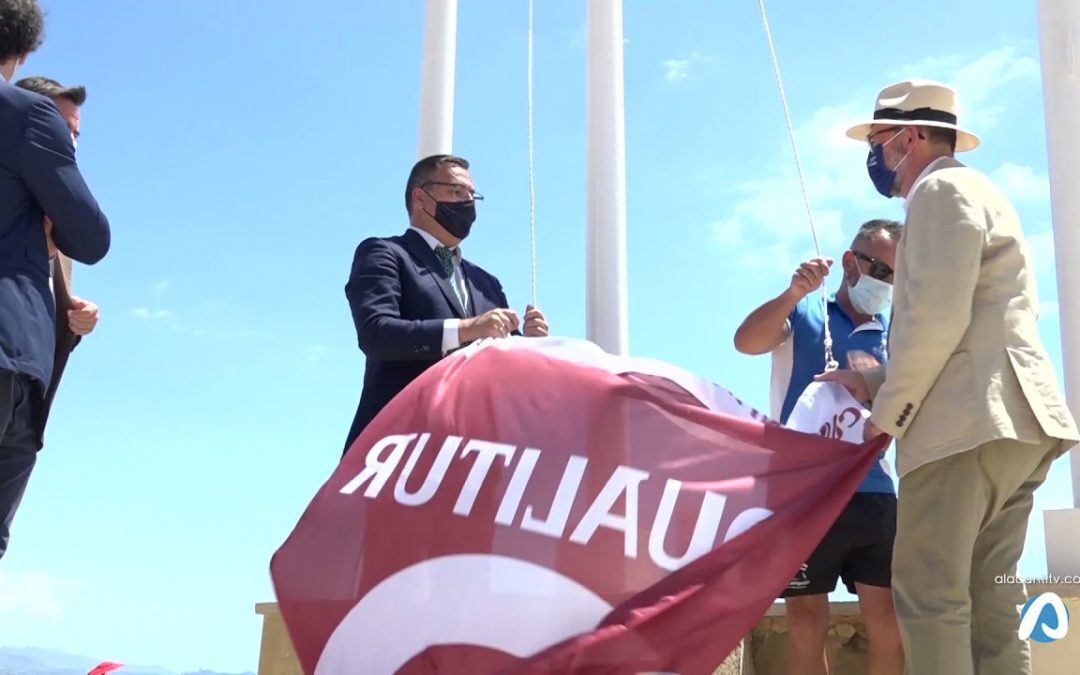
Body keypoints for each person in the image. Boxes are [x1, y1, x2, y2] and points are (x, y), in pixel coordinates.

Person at [820, 79, 1079, 675]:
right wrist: (878, 381)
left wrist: (886, 416)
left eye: (880, 140)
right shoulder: (980, 192)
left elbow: (936, 318)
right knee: (992, 598)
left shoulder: (938, 192)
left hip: (961, 429)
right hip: (1015, 422)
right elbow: (974, 322)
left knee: (929, 594)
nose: (876, 154)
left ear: (910, 137)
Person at [734, 219, 904, 675]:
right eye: (881, 272)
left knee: (888, 620)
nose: (888, 285)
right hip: (802, 495)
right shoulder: (807, 312)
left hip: (874, 493)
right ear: (850, 262)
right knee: (806, 622)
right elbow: (745, 342)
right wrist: (791, 293)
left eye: (899, 275)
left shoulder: (898, 333)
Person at [0, 0, 111, 561]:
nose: (71, 144)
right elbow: (94, 239)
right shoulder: (21, 118)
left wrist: (69, 315)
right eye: (64, 130)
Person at [343, 154, 549, 455]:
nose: (467, 203)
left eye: (471, 195)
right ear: (420, 197)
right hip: (396, 450)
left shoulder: (487, 284)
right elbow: (377, 334)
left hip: (472, 458)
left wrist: (529, 348)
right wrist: (467, 329)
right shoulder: (385, 254)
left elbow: (504, 376)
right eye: (455, 192)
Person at [14, 76, 101, 430]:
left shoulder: (62, 223)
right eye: (59, 127)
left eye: (75, 133)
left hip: (30, 401)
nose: (70, 142)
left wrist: (75, 319)